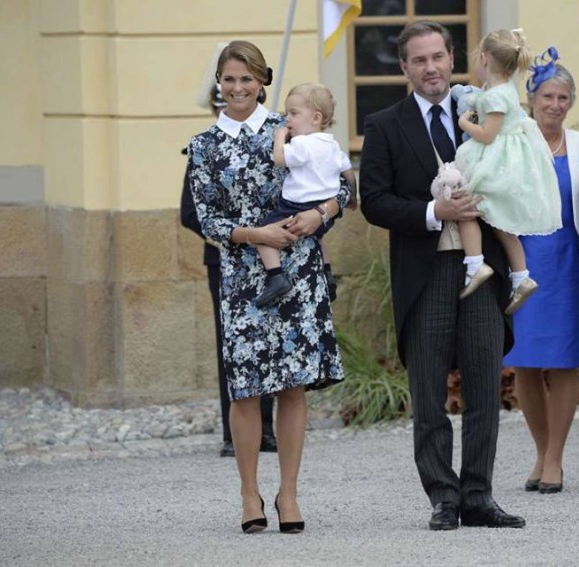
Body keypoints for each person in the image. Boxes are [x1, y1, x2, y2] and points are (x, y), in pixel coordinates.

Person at [359, 20, 525, 530]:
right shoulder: (385, 124)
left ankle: (478, 495)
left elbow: (514, 166)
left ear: (451, 58)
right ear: (404, 67)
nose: (431, 68)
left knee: (484, 384)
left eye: (438, 57)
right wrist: (436, 212)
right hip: (425, 270)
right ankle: (443, 498)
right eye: (420, 60)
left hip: (485, 267)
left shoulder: (482, 108)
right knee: (429, 392)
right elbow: (375, 201)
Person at [186, 40, 347, 534]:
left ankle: (289, 493)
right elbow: (204, 218)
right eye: (229, 79)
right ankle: (249, 494)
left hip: (298, 271)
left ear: (262, 82)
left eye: (246, 79)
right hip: (241, 278)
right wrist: (255, 234)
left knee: (293, 385)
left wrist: (321, 213)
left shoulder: (292, 124)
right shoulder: (204, 145)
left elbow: (343, 186)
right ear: (219, 83)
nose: (237, 88)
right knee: (246, 390)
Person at [504, 52, 579, 494]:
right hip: (522, 263)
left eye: (563, 97)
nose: (555, 105)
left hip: (568, 263)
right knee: (523, 361)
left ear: (571, 102)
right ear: (532, 99)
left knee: (563, 362)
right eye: (547, 96)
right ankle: (541, 452)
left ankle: (555, 458)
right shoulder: (513, 142)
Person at [180, 81, 277, 457]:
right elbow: (191, 213)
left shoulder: (274, 138)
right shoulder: (204, 149)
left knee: (271, 342)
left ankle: (266, 430)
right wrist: (238, 233)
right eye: (219, 102)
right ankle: (233, 435)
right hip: (225, 259)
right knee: (234, 348)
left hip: (273, 258)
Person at [453, 30, 561, 313]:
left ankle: (475, 263)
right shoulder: (504, 90)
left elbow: (487, 134)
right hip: (508, 158)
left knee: (466, 203)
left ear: (484, 59)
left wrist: (464, 123)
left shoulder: (495, 96)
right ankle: (521, 276)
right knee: (502, 226)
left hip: (496, 160)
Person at [255, 83, 356, 306]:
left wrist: (279, 137)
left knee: (263, 235)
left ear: (316, 118)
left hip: (296, 207)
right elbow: (348, 171)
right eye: (286, 113)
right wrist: (353, 197)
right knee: (318, 237)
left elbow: (279, 159)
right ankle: (327, 272)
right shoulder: (332, 144)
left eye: (293, 113)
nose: (287, 119)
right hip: (323, 211)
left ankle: (276, 277)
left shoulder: (302, 142)